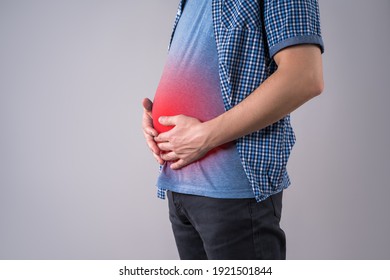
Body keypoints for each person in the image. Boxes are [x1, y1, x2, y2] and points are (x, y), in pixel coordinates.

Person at [142, 0, 324, 260]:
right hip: (180, 187)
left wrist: (204, 136)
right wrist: (156, 115)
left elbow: (304, 76)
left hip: (233, 194)